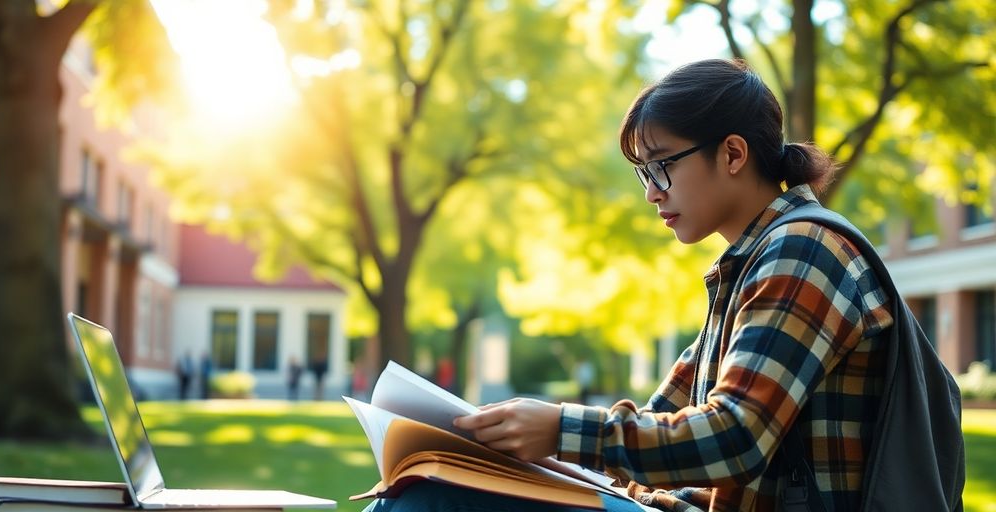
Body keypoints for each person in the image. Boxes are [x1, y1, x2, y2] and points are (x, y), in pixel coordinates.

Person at [363, 58, 898, 512]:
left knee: (427, 500)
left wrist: (560, 430)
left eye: (661, 166)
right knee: (433, 480)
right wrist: (538, 455)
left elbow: (736, 437)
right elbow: (662, 420)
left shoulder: (803, 251)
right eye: (643, 173)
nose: (651, 194)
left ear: (733, 155)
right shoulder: (750, 264)